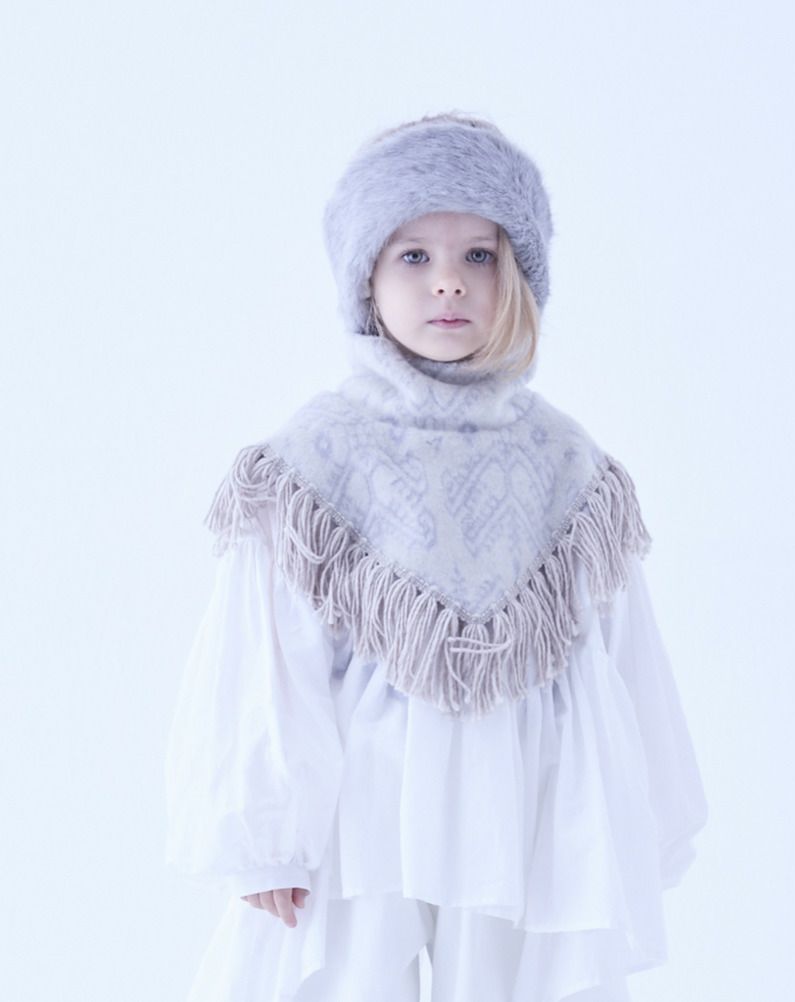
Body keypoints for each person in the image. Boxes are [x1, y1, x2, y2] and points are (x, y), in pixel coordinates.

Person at [164, 112, 708, 1002]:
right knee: (351, 976)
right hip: (364, 811)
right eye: (413, 255)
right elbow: (269, 652)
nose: (448, 281)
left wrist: (637, 811)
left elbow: (623, 653)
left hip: (527, 800)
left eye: (478, 256)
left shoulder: (566, 463)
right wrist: (266, 831)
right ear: (365, 279)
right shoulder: (319, 456)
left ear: (519, 277)